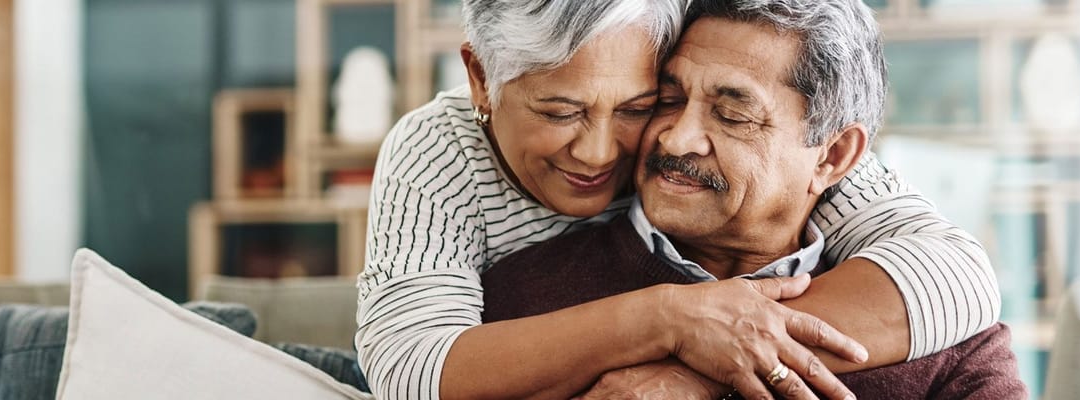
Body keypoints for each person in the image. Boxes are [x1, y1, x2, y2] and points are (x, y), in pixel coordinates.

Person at [358, 0, 1000, 398]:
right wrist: (669, 319)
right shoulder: (445, 162)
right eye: (559, 110)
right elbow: (413, 369)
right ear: (480, 80)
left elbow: (959, 273)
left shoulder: (826, 185)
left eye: (639, 106)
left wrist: (701, 365)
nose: (601, 153)